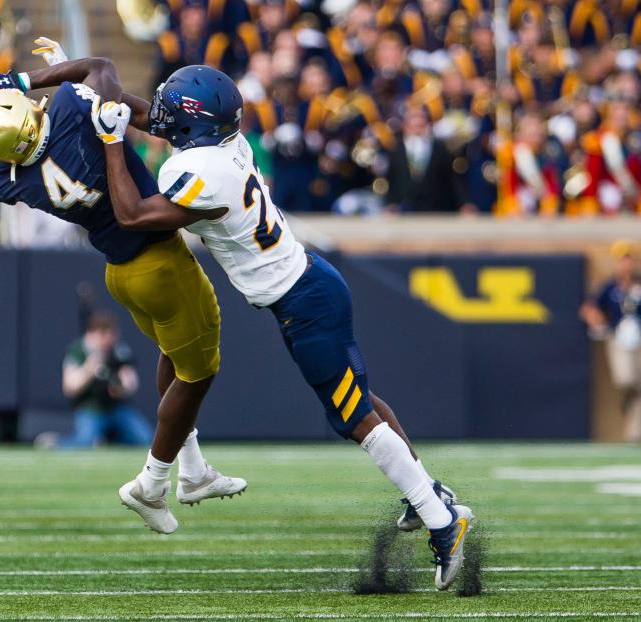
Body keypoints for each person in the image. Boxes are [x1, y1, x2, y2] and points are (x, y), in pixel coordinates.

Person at [91, 64, 473, 591]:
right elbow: (156, 119)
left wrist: (111, 140)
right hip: (309, 286)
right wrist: (101, 95)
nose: (160, 114)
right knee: (358, 399)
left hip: (305, 302)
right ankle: (426, 493)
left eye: (171, 107)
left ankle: (443, 520)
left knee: (352, 415)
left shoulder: (201, 172)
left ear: (190, 121)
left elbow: (132, 215)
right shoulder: (226, 147)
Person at [0, 38, 245, 534]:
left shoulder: (9, 179)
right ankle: (155, 481)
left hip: (119, 273)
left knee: (176, 357)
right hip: (160, 262)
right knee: (198, 373)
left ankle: (192, 470)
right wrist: (24, 79)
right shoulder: (68, 110)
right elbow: (99, 67)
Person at [44, 311, 153, 448]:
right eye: (102, 334)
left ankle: (107, 441)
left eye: (111, 334)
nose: (108, 340)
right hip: (91, 408)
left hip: (116, 408)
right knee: (84, 442)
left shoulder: (119, 350)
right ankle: (54, 442)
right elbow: (70, 387)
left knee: (145, 439)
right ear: (91, 334)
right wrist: (90, 367)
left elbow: (130, 382)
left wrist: (121, 388)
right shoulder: (78, 350)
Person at [580, 241, 641, 442]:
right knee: (626, 381)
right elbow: (589, 309)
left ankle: (634, 434)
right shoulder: (610, 287)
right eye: (622, 260)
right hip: (619, 339)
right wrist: (601, 324)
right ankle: (629, 412)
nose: (626, 265)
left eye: (628, 260)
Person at [384, 104, 470, 213]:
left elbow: (452, 178)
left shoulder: (439, 147)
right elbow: (390, 179)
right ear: (405, 123)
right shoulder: (396, 149)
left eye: (421, 117)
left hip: (435, 210)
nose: (418, 121)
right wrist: (389, 204)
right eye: (414, 117)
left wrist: (464, 203)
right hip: (404, 210)